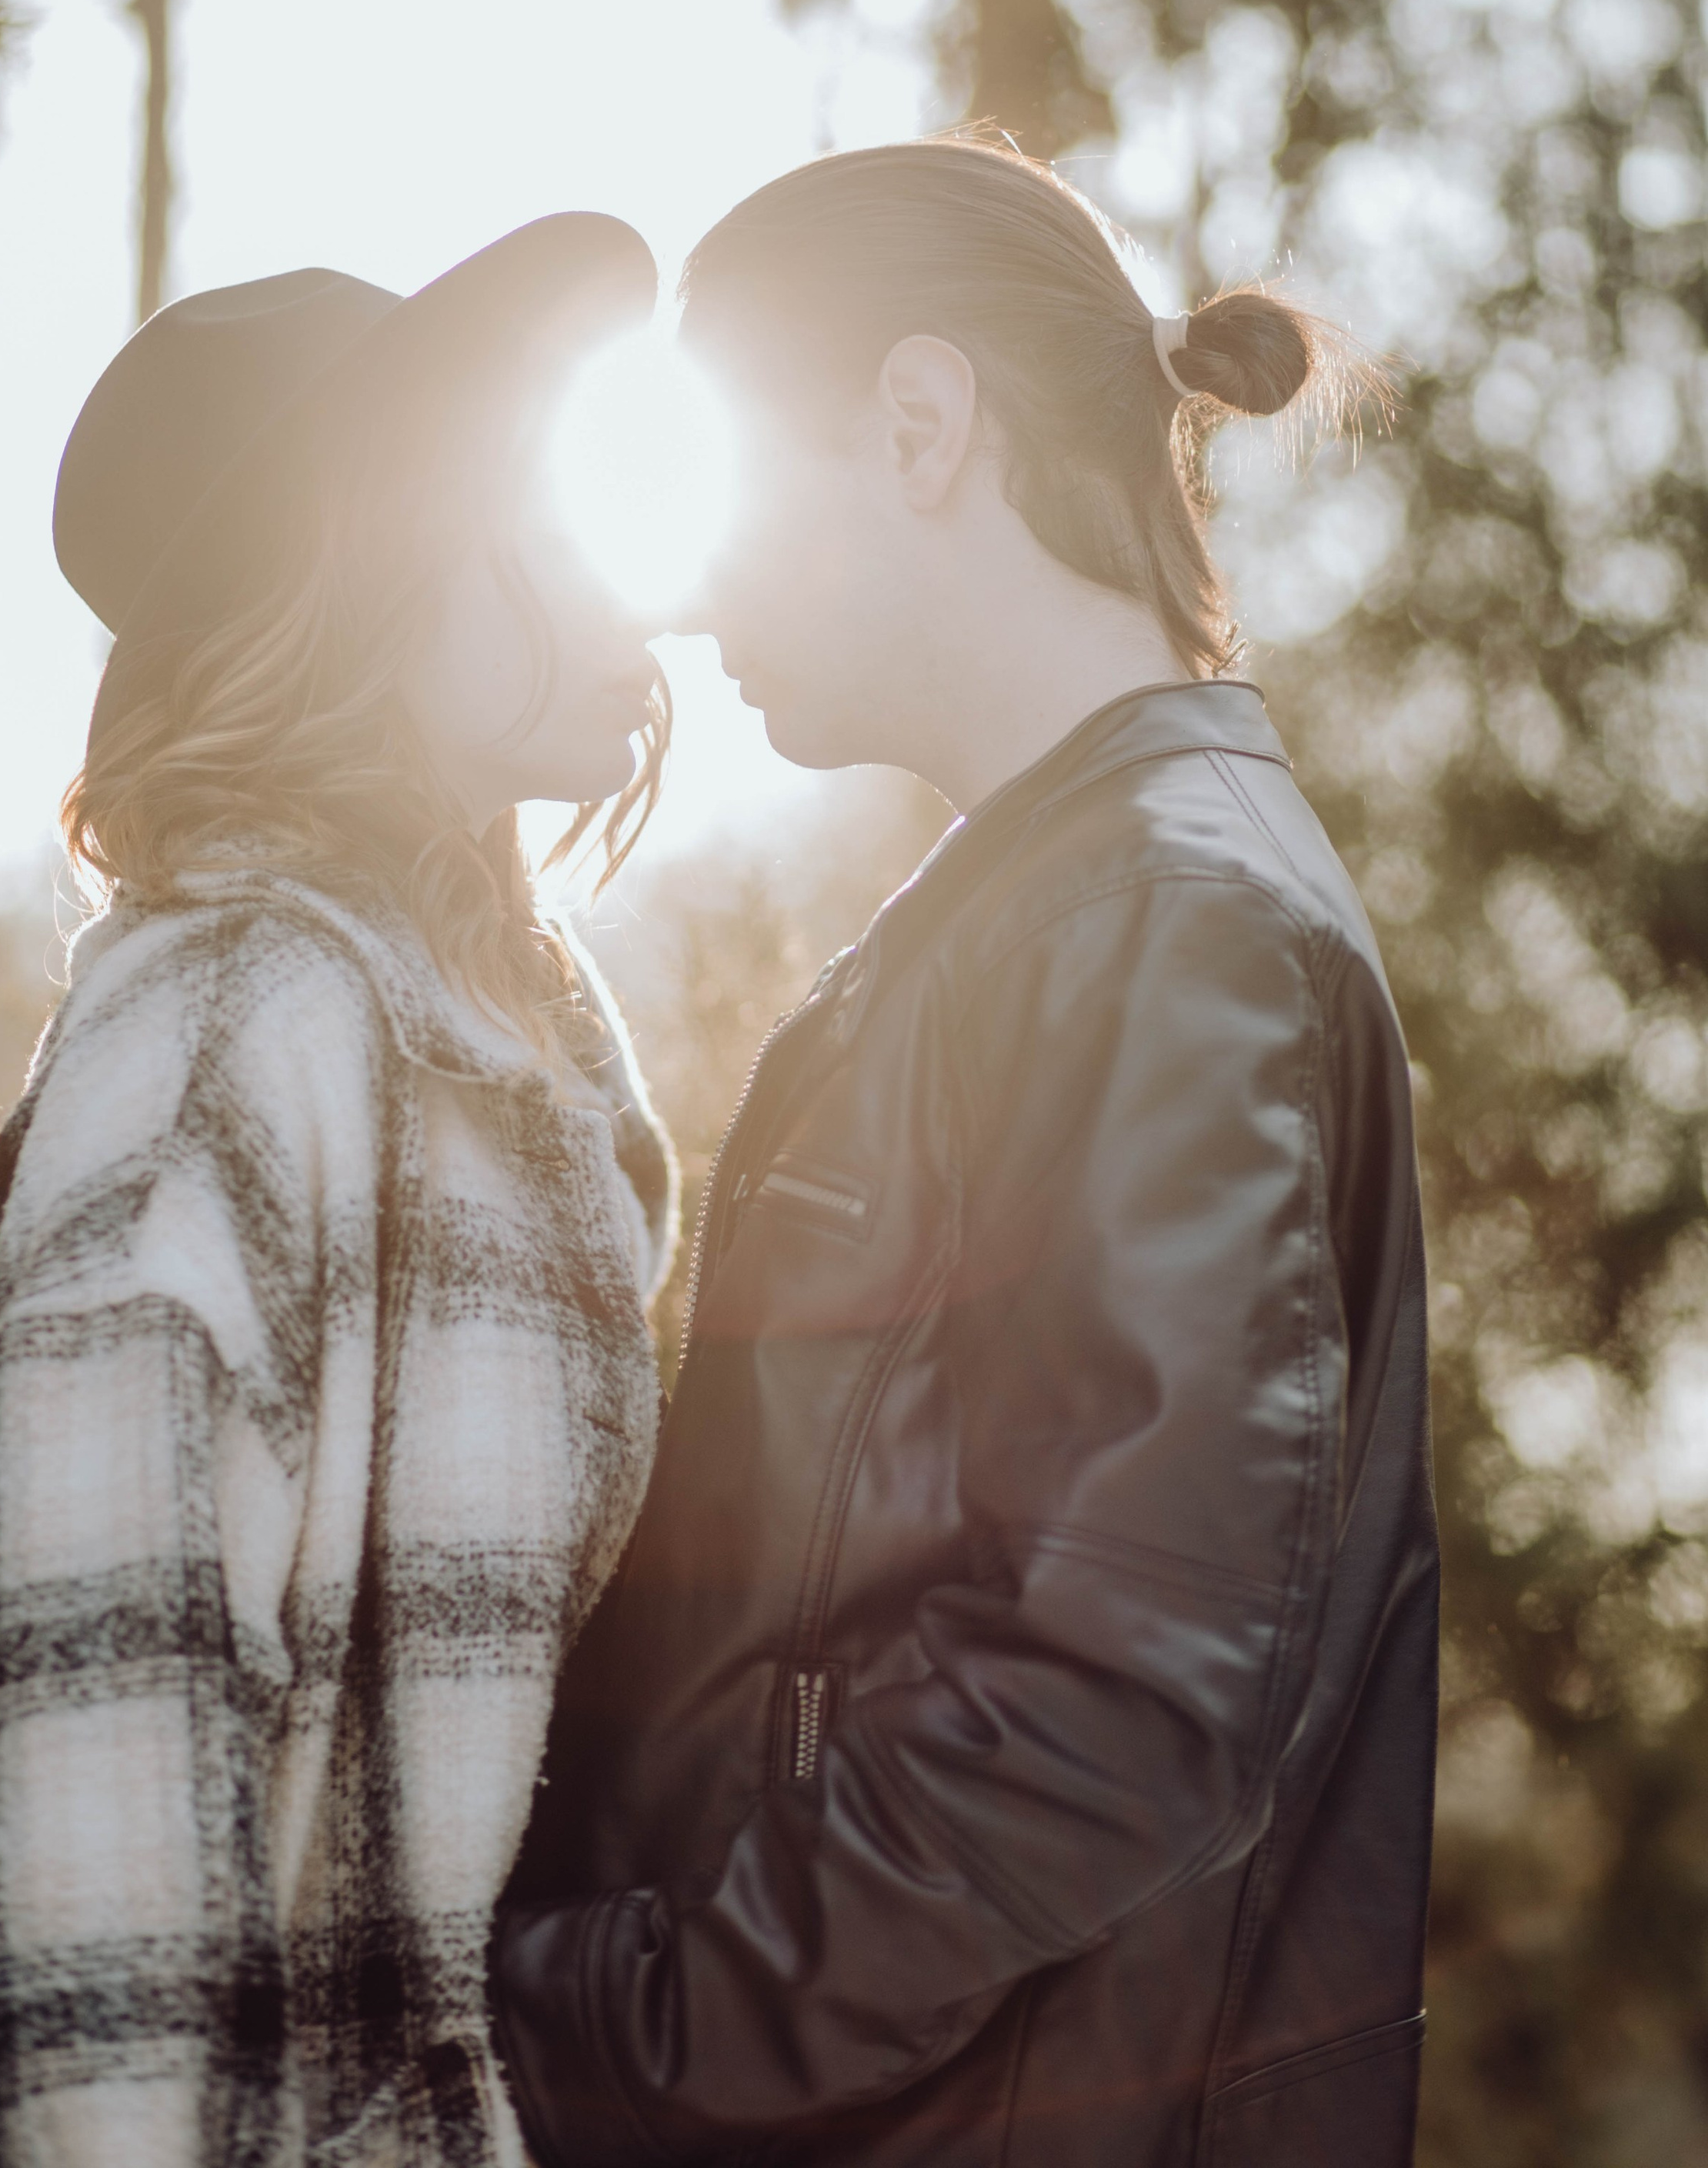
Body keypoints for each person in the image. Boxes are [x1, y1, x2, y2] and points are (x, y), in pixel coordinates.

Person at [495, 138, 1439, 2168]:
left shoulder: (1170, 917)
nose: (683, 584)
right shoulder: (1061, 898)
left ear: (921, 424)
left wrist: (603, 2020)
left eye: (725, 486)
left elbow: (1118, 1710)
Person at [0, 219, 679, 2168]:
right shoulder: (232, 1022)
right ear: (361, 581)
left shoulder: (499, 1050)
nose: (627, 589)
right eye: (537, 520)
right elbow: (70, 1817)